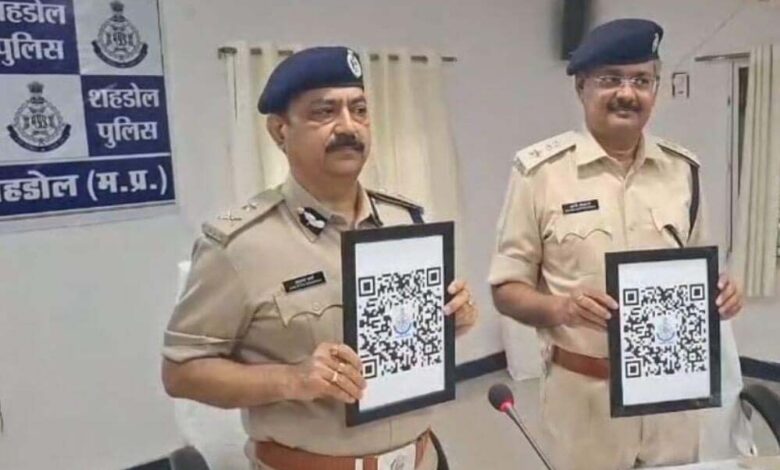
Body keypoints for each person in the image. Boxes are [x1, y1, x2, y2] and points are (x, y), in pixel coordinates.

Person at [161, 46, 478, 470]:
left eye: (359, 110)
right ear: (280, 131)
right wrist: (292, 379)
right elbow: (181, 373)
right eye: (324, 112)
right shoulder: (240, 246)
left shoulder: (405, 221)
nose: (348, 126)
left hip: (421, 460)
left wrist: (451, 321)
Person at [489, 19, 745, 470]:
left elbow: (700, 271)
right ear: (581, 87)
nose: (627, 93)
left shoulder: (683, 171)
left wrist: (722, 293)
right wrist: (562, 308)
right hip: (585, 402)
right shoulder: (540, 174)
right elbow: (506, 289)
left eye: (641, 80)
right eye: (611, 79)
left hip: (672, 398)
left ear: (655, 89)